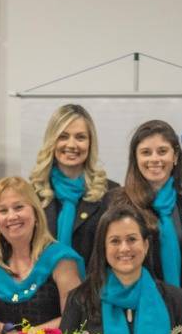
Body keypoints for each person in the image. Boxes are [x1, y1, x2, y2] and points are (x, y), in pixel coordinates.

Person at [61, 202, 182, 334]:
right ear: (103, 248)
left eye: (132, 239)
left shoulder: (176, 300)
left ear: (145, 245)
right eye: (115, 241)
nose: (124, 248)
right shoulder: (80, 299)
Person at [0, 177, 83, 334]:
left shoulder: (61, 260)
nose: (12, 216)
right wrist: (7, 332)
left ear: (35, 212)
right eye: (3, 210)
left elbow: (74, 319)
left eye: (19, 207)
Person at [29, 103, 117, 267]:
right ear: (52, 141)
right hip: (43, 290)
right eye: (63, 136)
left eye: (80, 137)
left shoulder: (112, 194)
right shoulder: (32, 194)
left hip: (96, 290)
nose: (71, 145)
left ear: (90, 143)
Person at [121, 120, 182, 287]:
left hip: (180, 307)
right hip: (139, 307)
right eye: (146, 152)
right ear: (136, 157)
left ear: (175, 156)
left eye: (162, 151)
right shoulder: (119, 205)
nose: (154, 159)